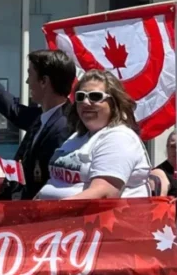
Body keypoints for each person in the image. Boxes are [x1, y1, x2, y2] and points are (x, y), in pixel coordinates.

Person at [0, 29, 74, 200]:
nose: (27, 82)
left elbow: (51, 184)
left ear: (44, 81)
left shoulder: (64, 126)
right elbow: (12, 108)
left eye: (30, 75)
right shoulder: (43, 117)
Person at [36, 70, 151, 200]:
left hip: (92, 218)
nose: (85, 102)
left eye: (95, 96)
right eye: (80, 96)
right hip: (58, 216)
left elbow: (104, 193)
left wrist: (52, 211)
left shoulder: (119, 138)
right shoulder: (76, 138)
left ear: (114, 103)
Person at [150, 130, 177, 197]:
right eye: (173, 146)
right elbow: (159, 204)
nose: (176, 150)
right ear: (167, 148)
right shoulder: (159, 173)